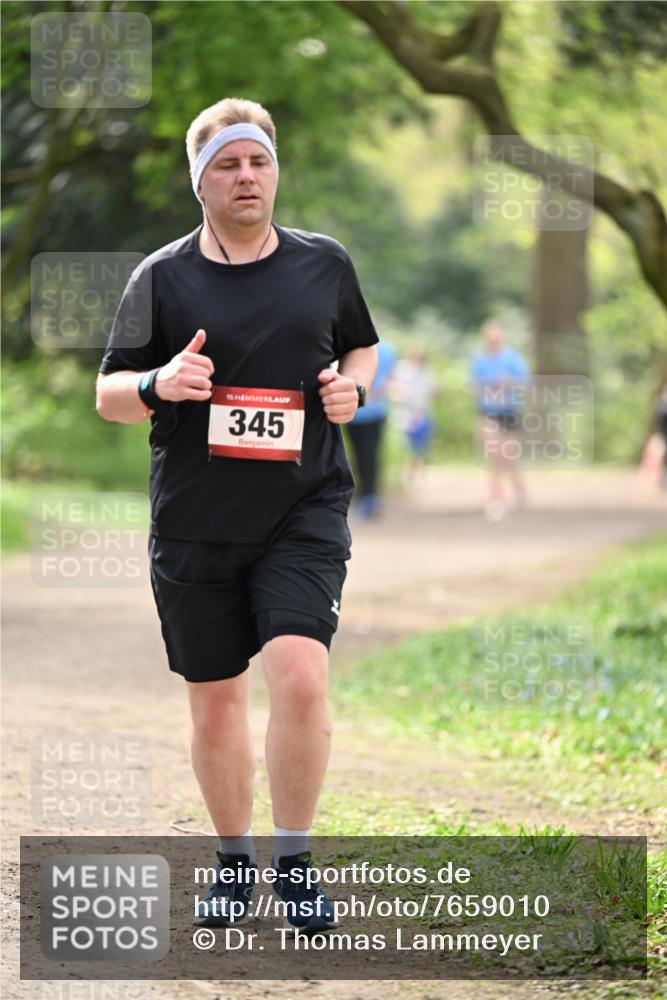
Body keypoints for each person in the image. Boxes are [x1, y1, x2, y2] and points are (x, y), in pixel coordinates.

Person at [96, 97, 378, 932]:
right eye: (228, 164)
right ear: (201, 181)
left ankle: (293, 863)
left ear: (274, 169)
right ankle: (232, 864)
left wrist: (354, 387)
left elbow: (360, 344)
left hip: (304, 505)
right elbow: (107, 393)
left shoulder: (324, 264)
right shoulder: (162, 276)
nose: (246, 175)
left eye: (258, 160)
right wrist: (155, 385)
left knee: (298, 670)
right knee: (215, 700)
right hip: (195, 518)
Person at [470, 320, 530, 520]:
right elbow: (472, 386)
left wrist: (509, 383)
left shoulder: (513, 359)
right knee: (495, 452)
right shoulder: (480, 360)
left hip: (509, 412)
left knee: (508, 455)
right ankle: (496, 498)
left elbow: (526, 385)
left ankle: (517, 486)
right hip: (488, 412)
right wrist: (487, 388)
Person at [346, 339, 397, 518]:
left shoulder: (386, 350)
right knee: (357, 456)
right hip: (351, 414)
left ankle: (371, 498)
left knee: (370, 455)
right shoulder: (348, 344)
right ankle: (362, 495)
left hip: (374, 413)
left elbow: (392, 378)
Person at [391, 348, 438, 486]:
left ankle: (415, 470)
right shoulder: (402, 370)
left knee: (420, 445)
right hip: (406, 413)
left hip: (422, 412)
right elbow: (394, 389)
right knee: (408, 445)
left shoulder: (428, 373)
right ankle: (410, 472)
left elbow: (433, 391)